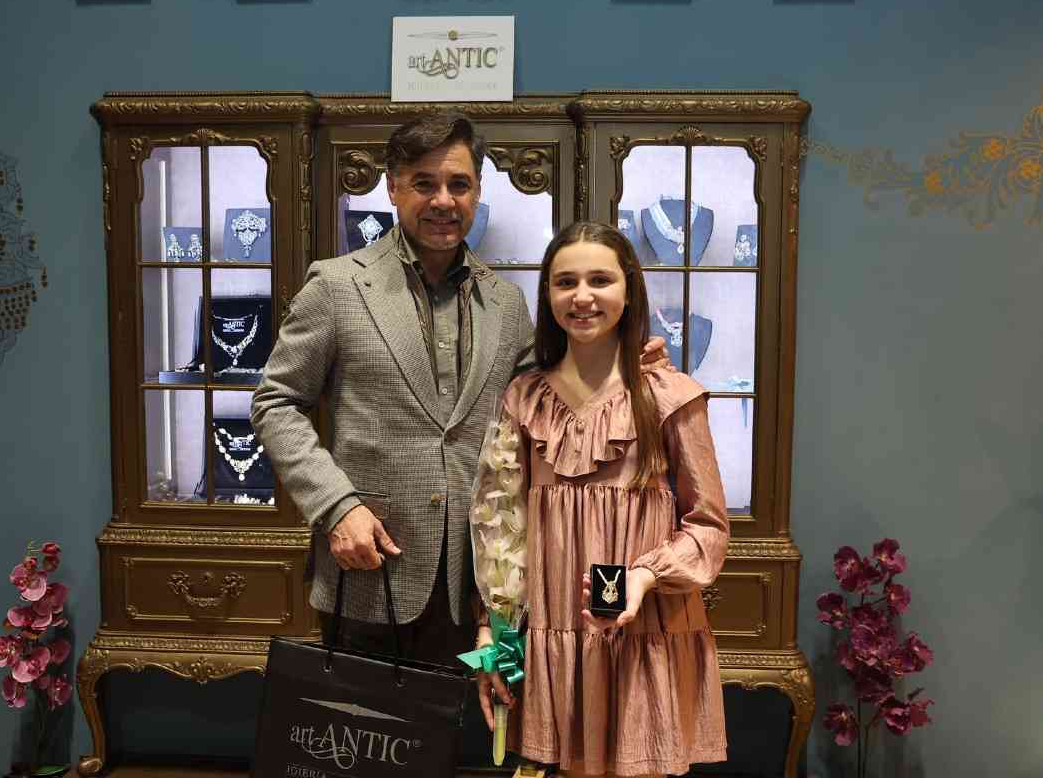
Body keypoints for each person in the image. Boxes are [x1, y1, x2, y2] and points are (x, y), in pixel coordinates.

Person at [251, 114, 667, 674]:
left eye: (459, 184)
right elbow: (276, 403)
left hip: (477, 582)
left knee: (465, 725)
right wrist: (336, 506)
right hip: (370, 566)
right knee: (361, 728)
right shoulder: (337, 286)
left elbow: (548, 398)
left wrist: (623, 367)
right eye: (424, 183)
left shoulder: (507, 304)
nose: (443, 201)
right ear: (393, 188)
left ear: (477, 191)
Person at [473, 221, 730, 778]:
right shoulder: (523, 399)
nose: (582, 296)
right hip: (550, 638)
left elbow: (708, 526)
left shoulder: (670, 397)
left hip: (643, 634)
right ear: (548, 294)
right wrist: (494, 633)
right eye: (565, 282)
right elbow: (501, 532)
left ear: (629, 288)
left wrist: (646, 574)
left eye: (600, 280)